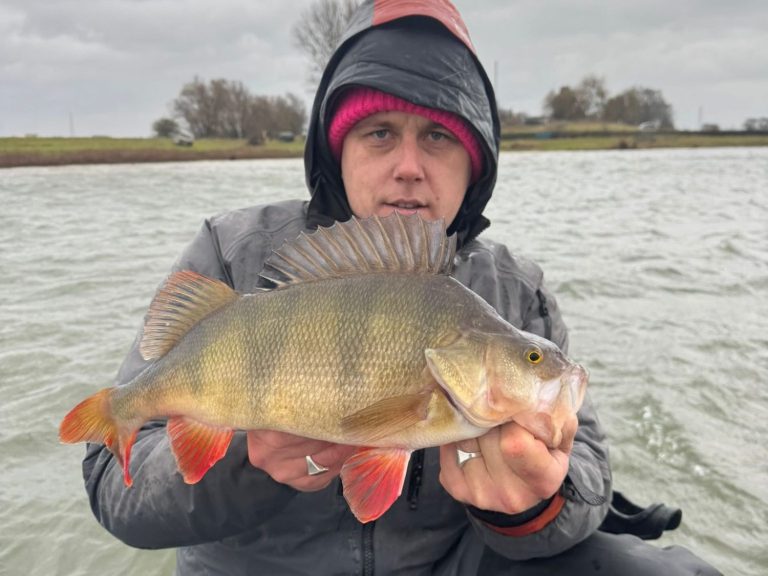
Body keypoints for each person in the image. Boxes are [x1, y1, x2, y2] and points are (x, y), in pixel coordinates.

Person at [80, 1, 721, 574]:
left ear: (476, 165)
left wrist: (534, 507)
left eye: (439, 136)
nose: (409, 168)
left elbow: (589, 478)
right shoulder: (231, 253)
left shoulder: (514, 293)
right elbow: (115, 486)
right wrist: (250, 464)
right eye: (379, 132)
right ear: (339, 151)